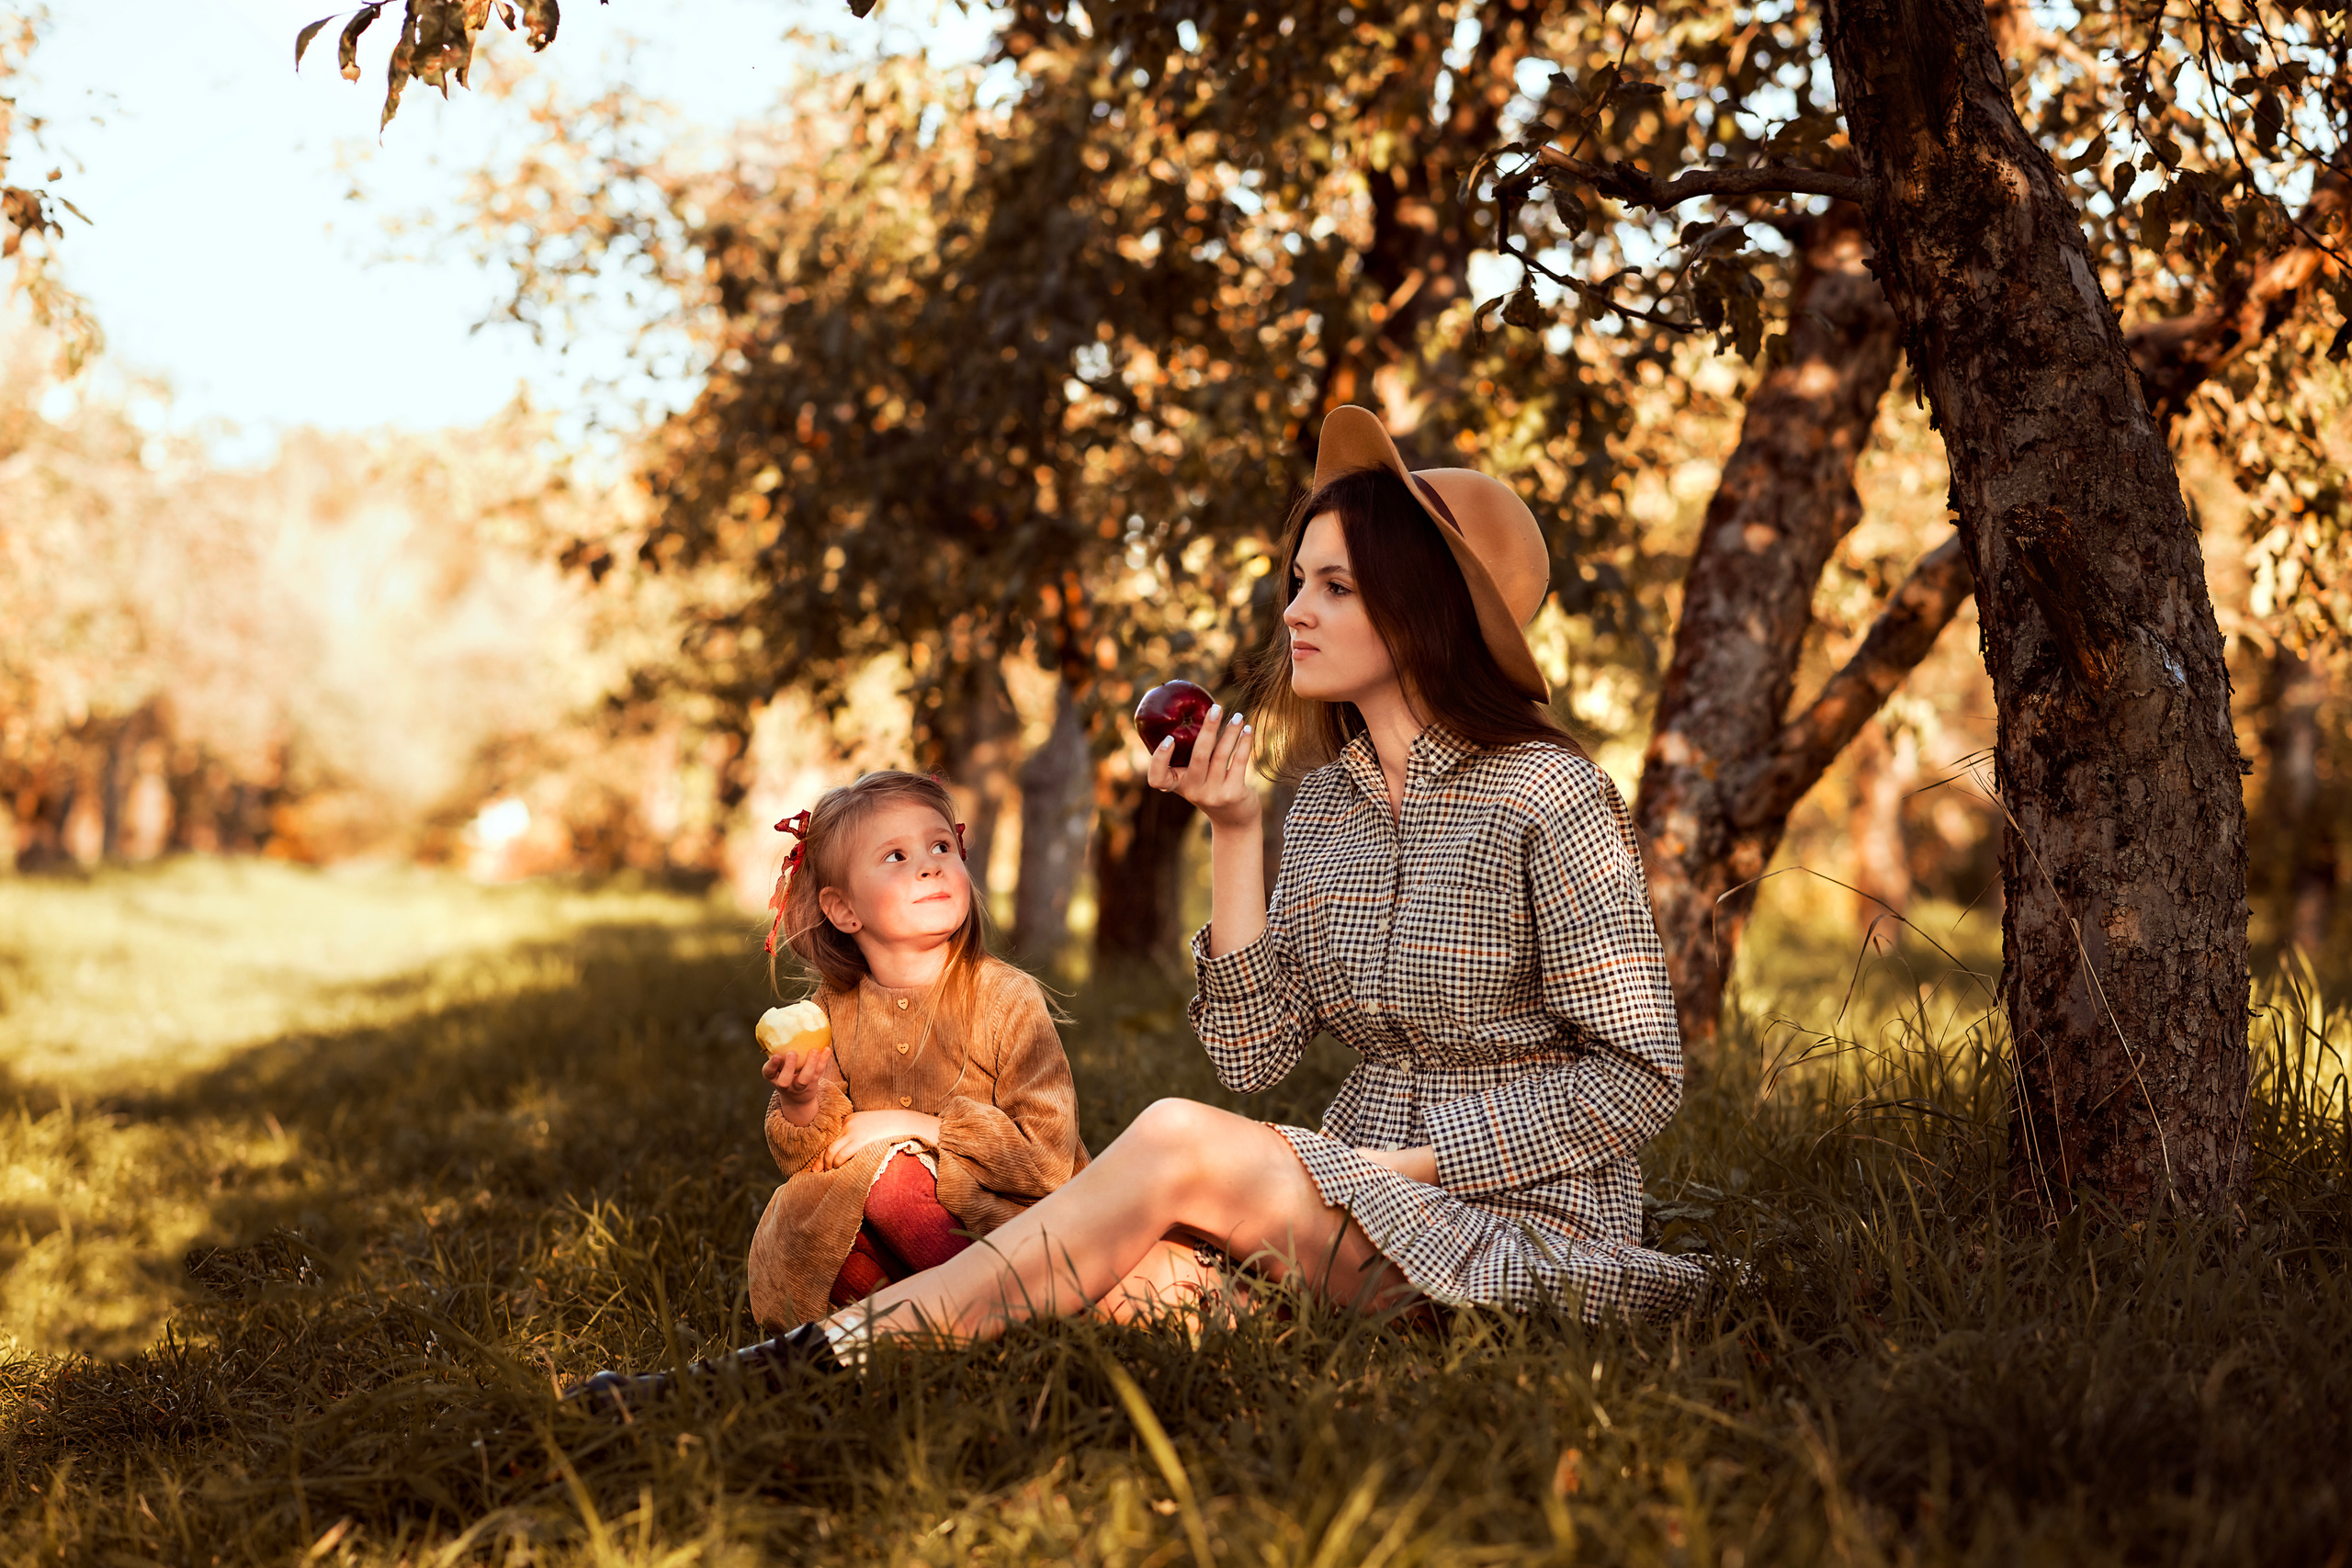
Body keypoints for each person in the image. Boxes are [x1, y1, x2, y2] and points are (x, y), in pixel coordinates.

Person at [574, 405, 1711, 1401]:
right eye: (1297, 583)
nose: (1294, 612)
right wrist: (1235, 829)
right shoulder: (1325, 804)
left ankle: (782, 1374)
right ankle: (915, 1340)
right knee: (1108, 1272)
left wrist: (1399, 1168)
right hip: (1351, 1214)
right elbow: (1256, 1055)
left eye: (1335, 587)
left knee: (1167, 1140)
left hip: (1518, 1222)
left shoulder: (1546, 793)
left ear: (1427, 611)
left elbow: (1637, 1079)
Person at [566, 771, 1088, 1410]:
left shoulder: (1007, 999)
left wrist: (918, 1126)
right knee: (815, 1223)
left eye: (940, 847)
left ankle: (1020, 1312)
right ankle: (920, 1339)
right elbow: (812, 1157)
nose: (929, 865)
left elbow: (1048, 1157)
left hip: (1006, 1227)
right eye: (896, 856)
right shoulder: (831, 1011)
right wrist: (802, 1102)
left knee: (891, 1180)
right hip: (885, 1229)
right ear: (844, 910)